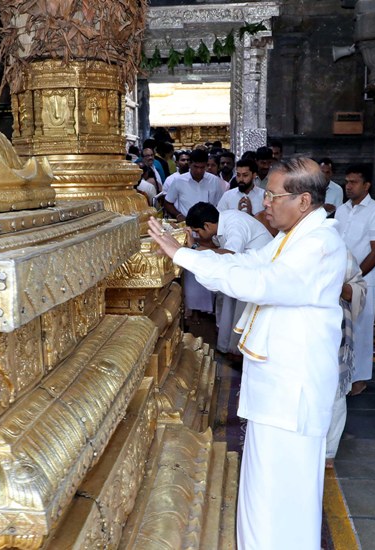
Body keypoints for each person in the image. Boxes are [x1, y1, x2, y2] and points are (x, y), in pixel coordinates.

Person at [148, 156, 346, 549]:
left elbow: (259, 282)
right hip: (276, 388)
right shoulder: (293, 237)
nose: (265, 203)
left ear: (303, 201)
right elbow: (247, 262)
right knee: (266, 486)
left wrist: (181, 255)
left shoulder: (320, 244)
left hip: (292, 392)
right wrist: (189, 253)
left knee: (283, 493)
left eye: (272, 195)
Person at [184, 202, 273, 355]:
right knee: (226, 299)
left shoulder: (234, 224)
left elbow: (230, 254)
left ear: (206, 225)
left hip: (260, 273)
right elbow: (217, 250)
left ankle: (237, 352)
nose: (197, 236)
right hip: (247, 270)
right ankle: (228, 346)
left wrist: (194, 248)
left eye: (197, 231)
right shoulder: (221, 223)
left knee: (240, 313)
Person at [335, 164, 375, 396]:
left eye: (354, 182)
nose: (348, 186)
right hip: (339, 278)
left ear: (367, 185)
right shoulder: (341, 210)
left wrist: (354, 277)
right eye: (347, 181)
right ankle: (343, 375)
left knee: (361, 330)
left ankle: (359, 380)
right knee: (342, 328)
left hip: (363, 281)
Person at [163, 148, 225, 317]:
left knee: (209, 262)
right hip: (189, 230)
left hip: (209, 231)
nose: (199, 171)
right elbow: (167, 202)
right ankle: (191, 309)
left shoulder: (214, 182)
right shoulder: (179, 181)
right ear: (190, 165)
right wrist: (179, 215)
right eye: (196, 167)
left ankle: (209, 310)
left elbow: (220, 205)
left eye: (202, 167)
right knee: (191, 269)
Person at [326, 250, 366, 468]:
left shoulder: (339, 252)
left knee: (335, 394)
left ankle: (328, 451)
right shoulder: (285, 245)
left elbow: (359, 288)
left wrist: (340, 287)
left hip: (334, 332)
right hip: (297, 333)